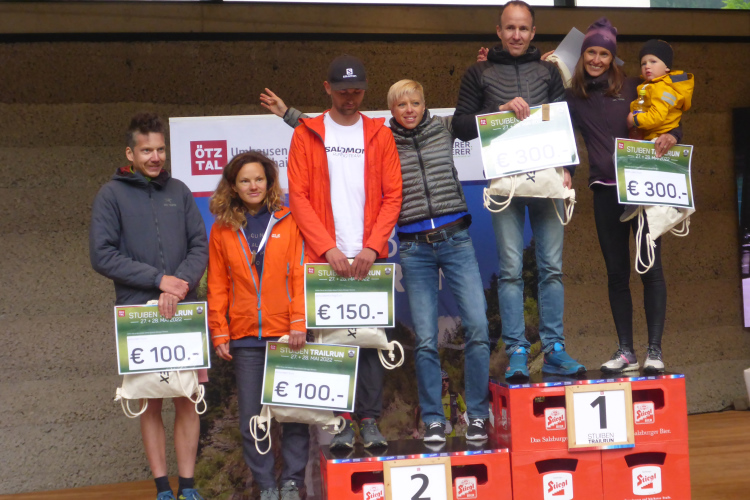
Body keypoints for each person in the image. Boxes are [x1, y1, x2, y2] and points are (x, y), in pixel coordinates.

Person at [261, 78, 491, 442]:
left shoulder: (444, 127)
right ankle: (433, 418)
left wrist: (496, 93)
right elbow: (332, 129)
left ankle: (477, 414)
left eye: (415, 102)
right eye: (401, 105)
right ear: (391, 109)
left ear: (425, 104)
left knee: (478, 327)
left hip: (455, 240)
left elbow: (478, 123)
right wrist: (289, 114)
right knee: (426, 339)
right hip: (414, 247)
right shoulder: (382, 137)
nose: (409, 110)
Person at [452, 0, 585, 380]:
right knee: (510, 271)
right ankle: (516, 353)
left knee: (551, 269)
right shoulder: (478, 72)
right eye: (509, 28)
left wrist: (569, 169)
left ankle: (555, 349)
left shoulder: (548, 71)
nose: (516, 35)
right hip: (505, 183)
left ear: (533, 32)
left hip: (548, 178)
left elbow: (564, 121)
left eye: (523, 28)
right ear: (499, 31)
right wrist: (498, 110)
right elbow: (461, 127)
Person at [285, 55, 403, 449]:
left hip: (369, 255)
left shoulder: (379, 133)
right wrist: (327, 247)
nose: (349, 99)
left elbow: (393, 194)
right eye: (342, 92)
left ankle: (369, 421)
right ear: (327, 89)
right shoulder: (307, 133)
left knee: (369, 341)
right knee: (330, 343)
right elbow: (299, 197)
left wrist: (373, 246)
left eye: (356, 92)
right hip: (325, 256)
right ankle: (338, 424)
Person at [89, 113, 208, 500]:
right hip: (139, 314)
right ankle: (162, 489)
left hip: (183, 309)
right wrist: (158, 280)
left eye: (160, 149)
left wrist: (179, 284)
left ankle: (187, 487)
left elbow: (199, 245)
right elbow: (102, 255)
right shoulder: (111, 195)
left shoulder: (180, 191)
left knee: (188, 398)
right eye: (146, 151)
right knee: (150, 401)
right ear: (130, 153)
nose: (155, 157)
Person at [564, 18, 682, 373]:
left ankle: (655, 351)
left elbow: (669, 114)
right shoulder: (574, 96)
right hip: (604, 190)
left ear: (612, 57)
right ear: (582, 55)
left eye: (604, 54)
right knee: (616, 273)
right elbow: (561, 136)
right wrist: (566, 171)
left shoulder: (634, 86)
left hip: (641, 187)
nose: (597, 59)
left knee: (650, 268)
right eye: (591, 52)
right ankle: (626, 351)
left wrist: (675, 135)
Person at [206, 151, 308, 500]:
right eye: (245, 180)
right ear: (233, 187)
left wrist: (298, 322)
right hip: (245, 336)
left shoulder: (289, 221)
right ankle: (266, 485)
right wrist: (219, 330)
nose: (253, 186)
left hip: (287, 333)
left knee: (293, 414)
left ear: (269, 182)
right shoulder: (222, 229)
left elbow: (299, 275)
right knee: (252, 418)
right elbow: (217, 284)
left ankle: (292, 482)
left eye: (259, 179)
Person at [621, 39, 695, 221]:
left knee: (631, 163)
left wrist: (634, 119)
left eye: (653, 61)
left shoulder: (662, 88)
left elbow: (657, 116)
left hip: (658, 136)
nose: (647, 66)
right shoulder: (654, 85)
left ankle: (635, 203)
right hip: (655, 135)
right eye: (643, 63)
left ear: (667, 67)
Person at [412, 371, 467, 441]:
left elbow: (465, 412)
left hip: (451, 437)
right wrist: (415, 430)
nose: (444, 383)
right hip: (433, 435)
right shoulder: (430, 397)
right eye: (441, 381)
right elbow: (418, 410)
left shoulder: (455, 396)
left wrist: (464, 417)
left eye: (446, 380)